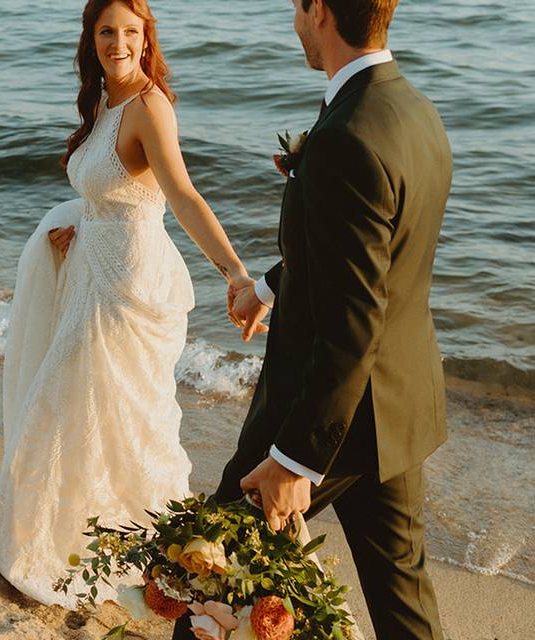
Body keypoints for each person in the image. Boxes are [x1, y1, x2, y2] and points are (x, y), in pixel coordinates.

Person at [176, 0, 453, 638]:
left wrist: (294, 461)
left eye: (297, 9)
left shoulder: (344, 139)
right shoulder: (411, 109)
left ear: (320, 11)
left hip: (325, 417)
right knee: (403, 602)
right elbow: (371, 262)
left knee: (206, 579)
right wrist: (272, 289)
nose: (294, 21)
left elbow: (352, 324)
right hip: (398, 406)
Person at [0, 0, 254, 607]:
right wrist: (78, 225)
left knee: (106, 413)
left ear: (145, 38)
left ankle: (141, 550)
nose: (118, 42)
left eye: (130, 32)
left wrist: (235, 274)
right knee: (83, 413)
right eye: (107, 31)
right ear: (93, 38)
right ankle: (82, 543)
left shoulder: (148, 106)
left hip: (128, 285)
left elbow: (181, 195)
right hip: (92, 267)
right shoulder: (103, 102)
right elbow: (112, 192)